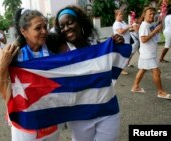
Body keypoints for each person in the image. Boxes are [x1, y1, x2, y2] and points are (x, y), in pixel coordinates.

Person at [53, 5, 127, 141]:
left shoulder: (97, 45)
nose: (66, 28)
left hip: (107, 110)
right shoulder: (61, 53)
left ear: (80, 22)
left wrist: (117, 45)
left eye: (70, 22)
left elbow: (114, 64)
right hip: (80, 116)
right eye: (62, 26)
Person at [0, 9, 60, 141]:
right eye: (38, 28)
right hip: (24, 121)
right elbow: (5, 94)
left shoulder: (53, 52)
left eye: (45, 27)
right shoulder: (13, 56)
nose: (44, 31)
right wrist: (2, 67)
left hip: (49, 117)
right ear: (24, 31)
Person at [131, 7, 171, 99]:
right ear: (144, 14)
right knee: (156, 72)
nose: (152, 15)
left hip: (148, 53)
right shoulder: (144, 25)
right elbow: (143, 39)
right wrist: (156, 30)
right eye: (150, 13)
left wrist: (157, 28)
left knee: (143, 69)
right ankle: (160, 92)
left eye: (153, 14)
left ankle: (135, 86)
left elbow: (153, 34)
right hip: (148, 54)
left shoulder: (149, 24)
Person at [113, 9, 132, 75]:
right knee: (122, 57)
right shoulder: (116, 24)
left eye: (122, 14)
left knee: (123, 56)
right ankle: (120, 70)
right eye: (119, 14)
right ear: (116, 16)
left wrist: (131, 29)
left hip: (126, 42)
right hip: (121, 43)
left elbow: (126, 29)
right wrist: (128, 27)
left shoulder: (123, 22)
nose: (121, 15)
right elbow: (121, 31)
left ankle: (118, 68)